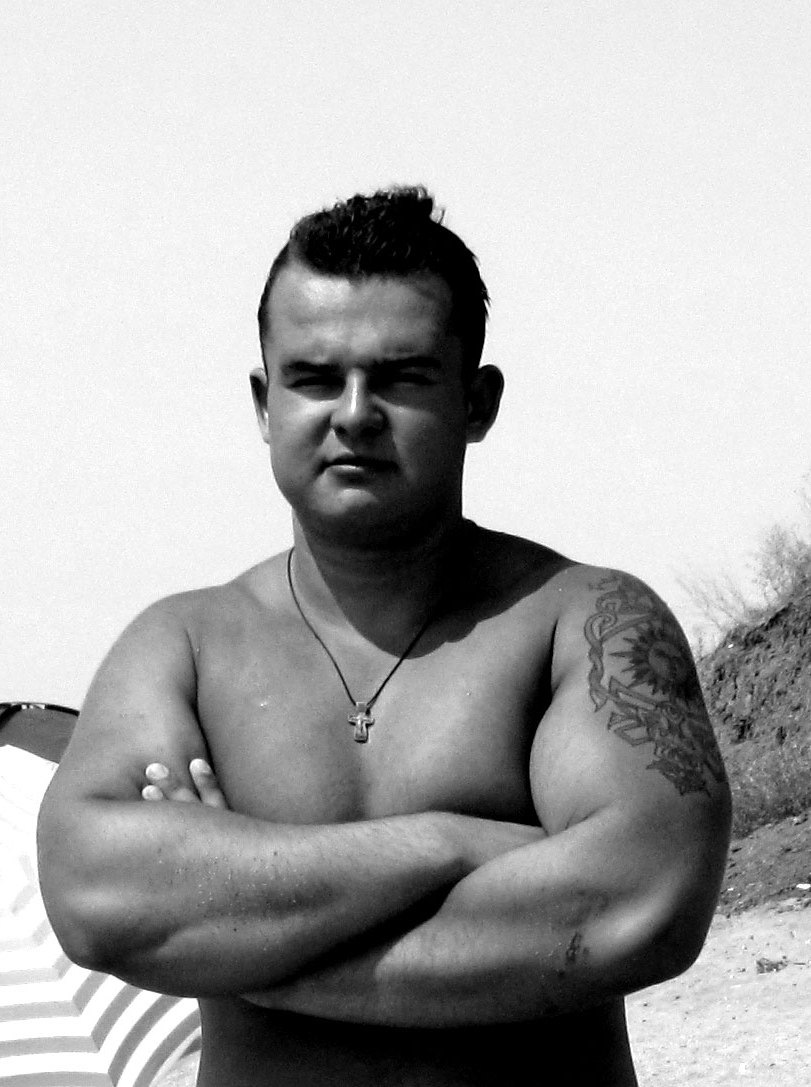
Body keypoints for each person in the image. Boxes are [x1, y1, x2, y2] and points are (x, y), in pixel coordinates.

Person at [38, 187, 731, 1087]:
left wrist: (241, 944)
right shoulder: (183, 645)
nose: (354, 412)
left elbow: (641, 904)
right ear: (264, 403)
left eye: (400, 377)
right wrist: (448, 842)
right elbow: (96, 899)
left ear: (476, 400)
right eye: (314, 378)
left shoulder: (581, 622)